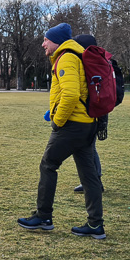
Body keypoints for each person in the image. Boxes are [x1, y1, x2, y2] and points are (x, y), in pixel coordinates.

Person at [17, 23, 106, 239]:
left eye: (46, 39)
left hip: (72, 125)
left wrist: (57, 121)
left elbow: (70, 95)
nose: (43, 44)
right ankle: (96, 225)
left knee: (48, 165)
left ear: (56, 40)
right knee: (89, 175)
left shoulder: (66, 57)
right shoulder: (78, 55)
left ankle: (43, 217)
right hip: (87, 124)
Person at [71, 34, 101, 193]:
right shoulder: (97, 62)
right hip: (97, 110)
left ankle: (94, 181)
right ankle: (93, 180)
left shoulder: (87, 63)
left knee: (88, 147)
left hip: (90, 111)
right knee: (89, 146)